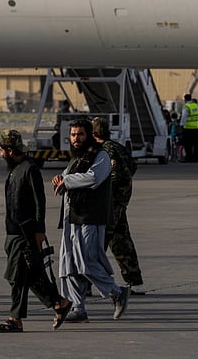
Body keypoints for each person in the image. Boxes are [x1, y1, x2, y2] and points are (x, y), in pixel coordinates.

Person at [0, 129, 72, 333]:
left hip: (25, 232)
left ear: (9, 150)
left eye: (2, 150)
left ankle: (15, 319)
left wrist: (39, 230)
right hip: (13, 231)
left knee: (16, 277)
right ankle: (59, 303)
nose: (0, 154)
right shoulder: (15, 168)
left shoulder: (29, 169)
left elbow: (39, 201)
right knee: (32, 274)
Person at [52, 118, 129, 323]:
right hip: (72, 216)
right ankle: (77, 307)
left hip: (90, 217)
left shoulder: (100, 155)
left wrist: (66, 181)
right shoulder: (76, 158)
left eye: (80, 134)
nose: (76, 139)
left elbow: (93, 178)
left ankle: (116, 292)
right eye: (73, 135)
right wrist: (60, 179)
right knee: (67, 264)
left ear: (89, 135)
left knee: (86, 261)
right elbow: (66, 176)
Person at [90, 117, 146, 295]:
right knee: (122, 242)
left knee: (96, 244)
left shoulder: (104, 151)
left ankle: (87, 284)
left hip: (109, 205)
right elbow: (132, 168)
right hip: (120, 203)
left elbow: (113, 177)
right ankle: (135, 282)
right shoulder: (119, 147)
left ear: (93, 134)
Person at [179, 93, 198, 162]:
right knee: (195, 143)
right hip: (196, 127)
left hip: (188, 128)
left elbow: (184, 117)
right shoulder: (196, 106)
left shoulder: (186, 107)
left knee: (187, 144)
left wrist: (181, 125)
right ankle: (196, 157)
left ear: (185, 99)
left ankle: (188, 157)